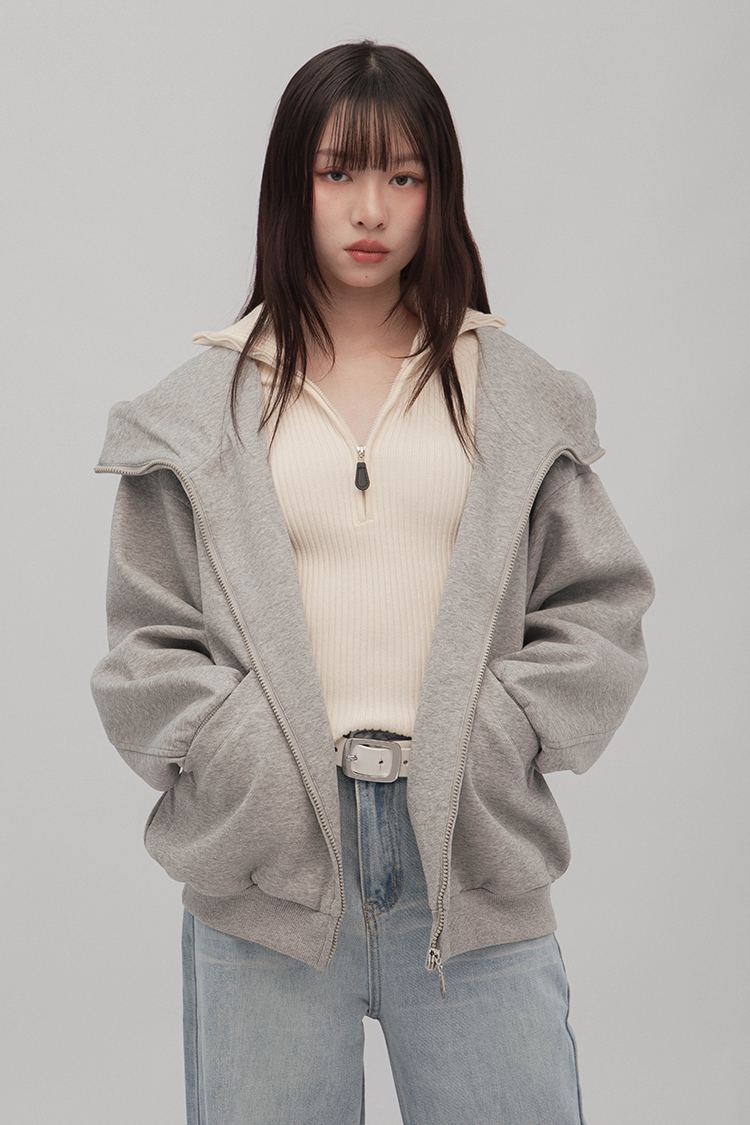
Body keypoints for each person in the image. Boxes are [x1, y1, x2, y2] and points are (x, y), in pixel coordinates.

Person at [91, 40, 654, 1125]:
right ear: (290, 185)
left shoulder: (516, 395)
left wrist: (495, 735)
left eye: (404, 176)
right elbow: (145, 646)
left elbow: (602, 608)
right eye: (338, 172)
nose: (371, 209)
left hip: (471, 864)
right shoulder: (197, 412)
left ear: (439, 193)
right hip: (264, 876)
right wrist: (243, 758)